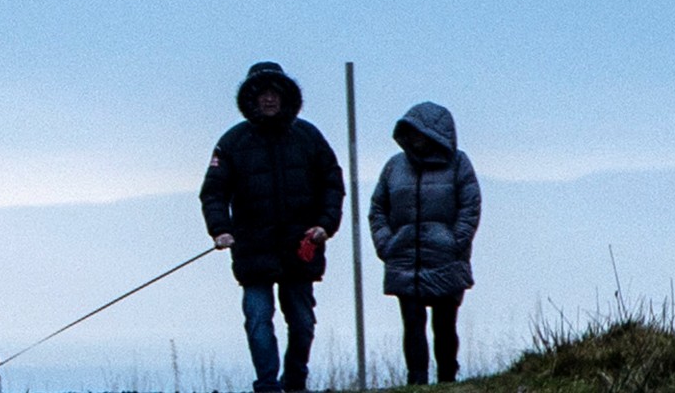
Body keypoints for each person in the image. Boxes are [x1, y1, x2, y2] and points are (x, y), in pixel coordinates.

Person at [200, 61, 346, 393]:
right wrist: (220, 230)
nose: (268, 100)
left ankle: (295, 383)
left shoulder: (309, 137)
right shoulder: (232, 142)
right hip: (253, 250)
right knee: (258, 323)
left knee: (303, 323)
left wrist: (326, 226)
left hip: (301, 248)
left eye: (274, 93)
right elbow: (213, 192)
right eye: (262, 94)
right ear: (250, 99)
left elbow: (332, 184)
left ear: (286, 97)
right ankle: (267, 386)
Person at [368, 102, 481, 385]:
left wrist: (454, 242)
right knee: (413, 325)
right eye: (411, 131)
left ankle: (446, 380)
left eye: (420, 131)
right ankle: (416, 381)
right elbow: (378, 208)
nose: (415, 137)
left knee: (444, 325)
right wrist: (387, 244)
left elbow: (470, 206)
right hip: (405, 259)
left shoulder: (459, 164)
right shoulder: (394, 167)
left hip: (446, 261)